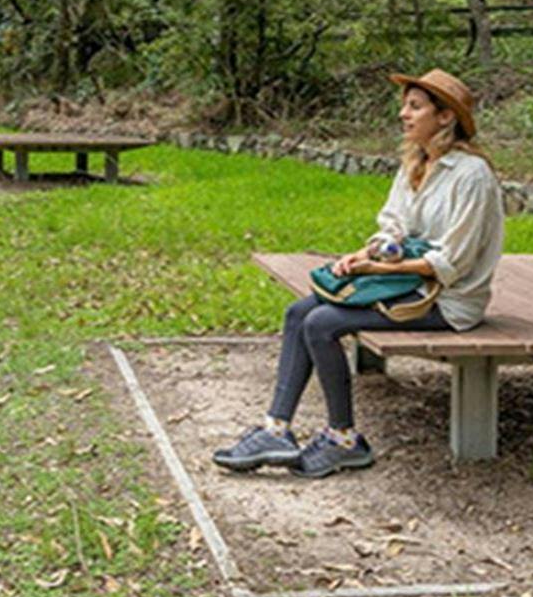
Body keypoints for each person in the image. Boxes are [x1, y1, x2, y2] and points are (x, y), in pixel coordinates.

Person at [213, 68, 505, 479]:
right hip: (404, 283)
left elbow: (452, 263)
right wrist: (365, 254)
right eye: (404, 105)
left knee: (322, 323)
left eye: (415, 107)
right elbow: (394, 227)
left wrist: (380, 267)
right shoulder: (415, 164)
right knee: (298, 313)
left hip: (445, 299)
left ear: (445, 117)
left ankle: (344, 440)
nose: (404, 114)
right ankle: (275, 429)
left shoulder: (472, 176)